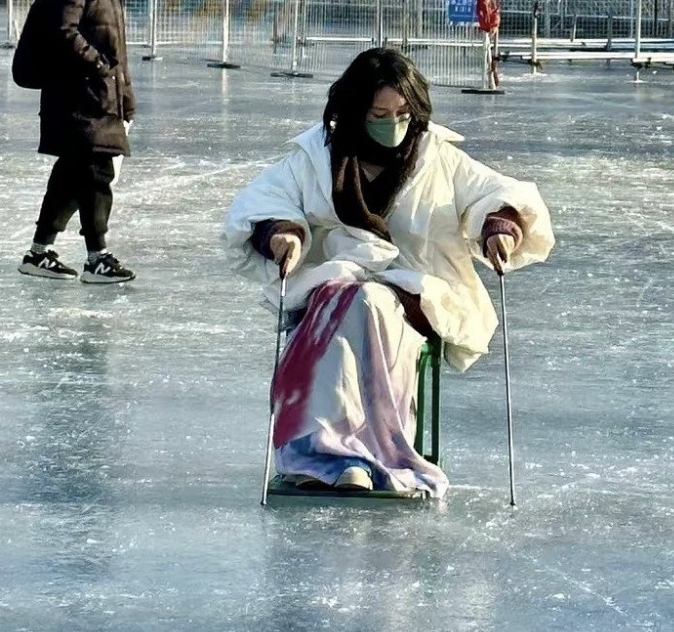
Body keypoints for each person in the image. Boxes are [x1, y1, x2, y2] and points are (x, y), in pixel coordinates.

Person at [222, 47, 555, 498]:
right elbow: (267, 199)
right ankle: (321, 450)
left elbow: (493, 193)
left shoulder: (438, 157)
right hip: (335, 284)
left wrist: (500, 227)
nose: (392, 123)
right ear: (355, 109)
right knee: (343, 298)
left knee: (369, 301)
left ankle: (371, 453)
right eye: (379, 113)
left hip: (417, 292)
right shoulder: (317, 156)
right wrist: (282, 234)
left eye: (401, 113)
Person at [18, 0, 138, 283]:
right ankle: (97, 257)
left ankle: (39, 252)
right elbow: (64, 30)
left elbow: (118, 50)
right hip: (79, 97)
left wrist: (126, 99)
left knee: (71, 175)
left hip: (101, 96)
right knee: (95, 174)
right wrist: (98, 68)